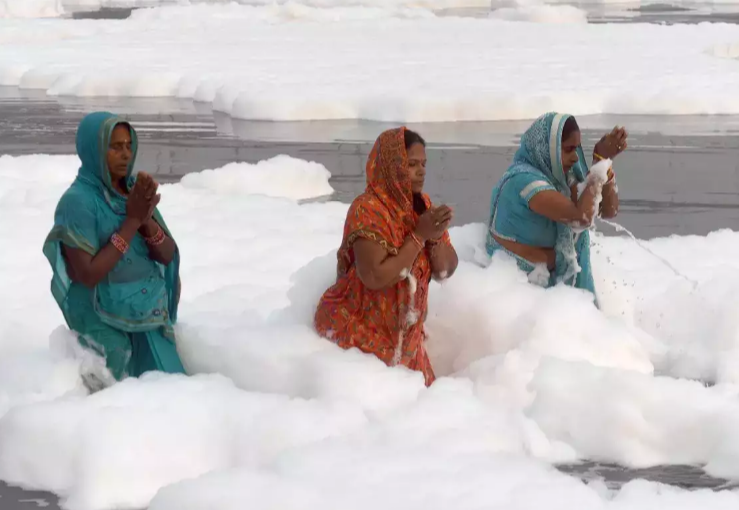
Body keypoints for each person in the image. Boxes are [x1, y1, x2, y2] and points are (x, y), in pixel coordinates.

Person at [43, 111, 185, 391]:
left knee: (174, 388)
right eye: (115, 147)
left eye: (129, 146)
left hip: (146, 309)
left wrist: (145, 220)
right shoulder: (77, 202)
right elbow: (88, 273)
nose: (125, 154)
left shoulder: (132, 191)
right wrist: (131, 221)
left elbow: (167, 255)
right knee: (117, 379)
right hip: (98, 313)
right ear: (93, 150)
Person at [314, 127, 458, 386]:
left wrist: (435, 236)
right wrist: (418, 236)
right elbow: (375, 276)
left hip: (407, 339)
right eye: (412, 164)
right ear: (392, 166)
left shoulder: (422, 205)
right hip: (360, 336)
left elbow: (445, 270)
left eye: (424, 164)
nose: (421, 171)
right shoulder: (368, 209)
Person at [485, 112, 626, 298]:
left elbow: (608, 210)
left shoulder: (561, 179)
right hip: (512, 291)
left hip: (546, 291)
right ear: (546, 148)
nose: (576, 157)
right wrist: (599, 167)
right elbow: (581, 218)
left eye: (577, 149)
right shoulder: (523, 180)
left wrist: (604, 163)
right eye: (568, 149)